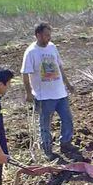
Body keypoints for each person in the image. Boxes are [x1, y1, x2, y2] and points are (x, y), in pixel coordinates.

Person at [21, 22, 77, 160]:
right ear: (38, 35)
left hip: (60, 93)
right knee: (45, 124)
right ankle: (47, 150)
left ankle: (65, 142)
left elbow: (59, 67)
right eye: (46, 35)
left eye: (49, 35)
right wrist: (28, 93)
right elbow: (25, 74)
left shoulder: (52, 47)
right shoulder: (31, 52)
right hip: (43, 96)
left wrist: (68, 84)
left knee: (67, 119)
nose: (49, 38)